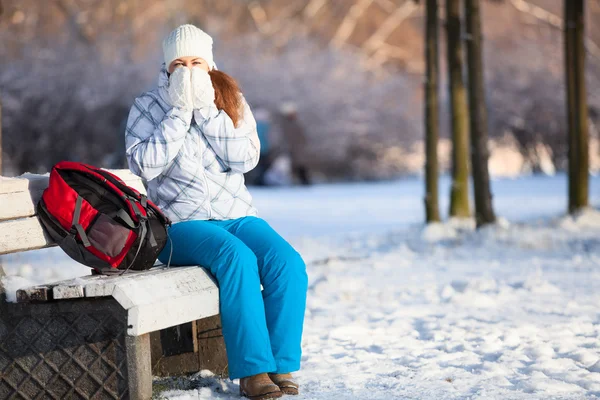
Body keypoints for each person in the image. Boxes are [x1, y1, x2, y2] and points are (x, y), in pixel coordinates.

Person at [125, 24, 308, 399]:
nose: (187, 70)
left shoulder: (230, 97)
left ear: (209, 64)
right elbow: (144, 165)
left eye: (196, 62)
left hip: (237, 215)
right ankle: (253, 372)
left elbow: (245, 158)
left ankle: (281, 363)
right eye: (179, 63)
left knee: (287, 263)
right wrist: (178, 113)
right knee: (235, 258)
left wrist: (207, 110)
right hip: (180, 225)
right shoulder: (148, 105)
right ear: (167, 67)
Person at [278, 103, 311, 186]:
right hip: (294, 148)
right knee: (297, 165)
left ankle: (304, 181)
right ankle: (301, 181)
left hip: (297, 148)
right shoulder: (288, 124)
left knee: (300, 165)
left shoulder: (292, 123)